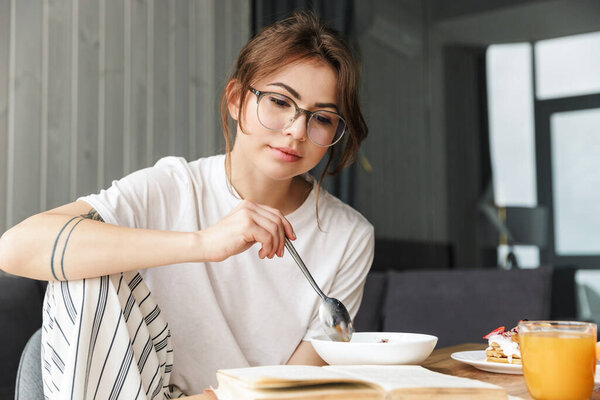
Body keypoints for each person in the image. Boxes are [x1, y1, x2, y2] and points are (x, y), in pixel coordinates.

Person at [0, 11, 374, 399]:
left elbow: (292, 386)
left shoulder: (349, 237)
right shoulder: (174, 188)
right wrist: (201, 244)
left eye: (322, 118)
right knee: (84, 262)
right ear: (235, 100)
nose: (297, 130)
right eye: (280, 101)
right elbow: (14, 248)